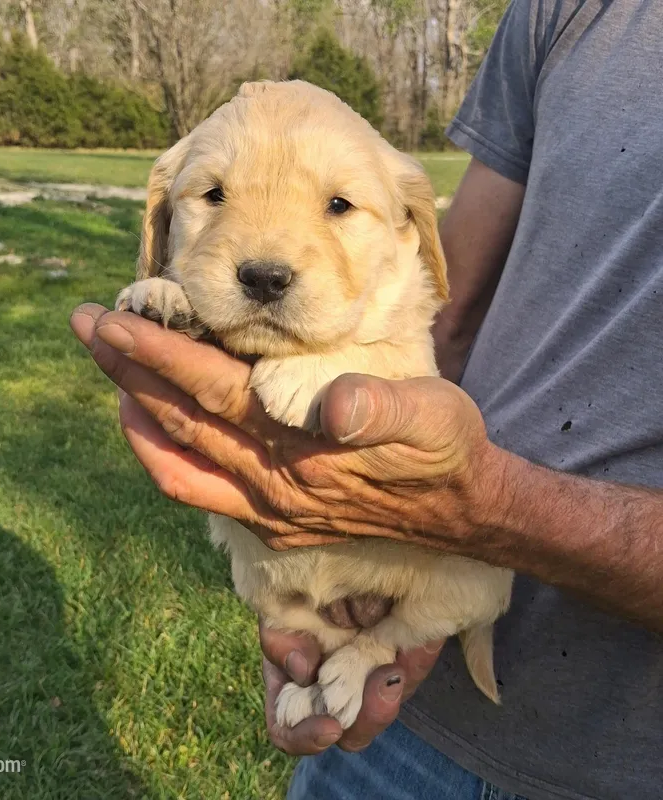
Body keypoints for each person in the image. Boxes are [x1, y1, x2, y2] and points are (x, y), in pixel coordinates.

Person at [71, 0, 663, 796]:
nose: (266, 259)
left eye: (338, 205)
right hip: (403, 723)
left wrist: (480, 510)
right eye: (212, 195)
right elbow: (450, 304)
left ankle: (368, 647)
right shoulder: (567, 10)